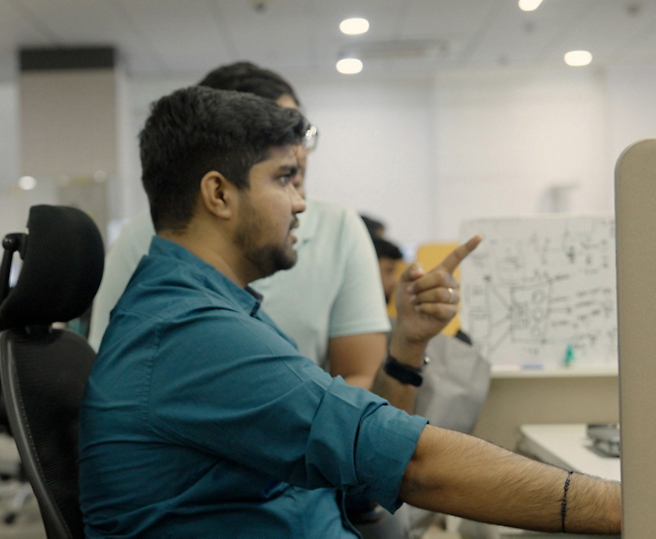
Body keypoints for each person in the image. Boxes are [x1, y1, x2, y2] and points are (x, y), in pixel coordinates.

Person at [78, 86, 621, 538]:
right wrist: (630, 507)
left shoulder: (209, 310)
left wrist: (406, 348)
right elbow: (414, 465)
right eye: (284, 178)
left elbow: (360, 462)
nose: (300, 202)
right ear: (219, 195)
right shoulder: (189, 333)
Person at [88, 62, 389, 395]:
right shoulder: (193, 306)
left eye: (300, 135)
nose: (299, 155)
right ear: (219, 193)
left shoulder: (242, 308)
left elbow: (355, 394)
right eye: (280, 173)